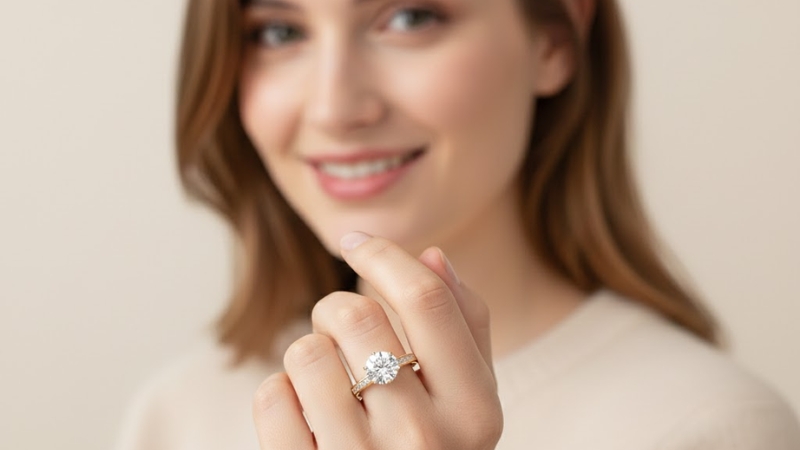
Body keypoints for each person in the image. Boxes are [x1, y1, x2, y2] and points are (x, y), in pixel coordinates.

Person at [116, 0, 800, 448]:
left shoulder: (711, 428)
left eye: (410, 17)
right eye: (278, 31)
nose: (333, 107)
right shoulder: (178, 412)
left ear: (554, 42)